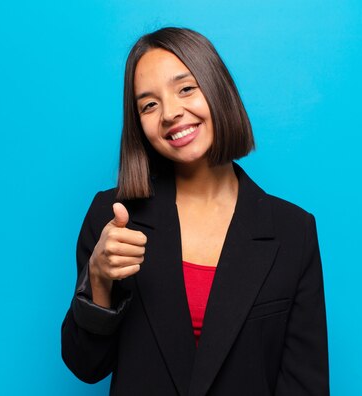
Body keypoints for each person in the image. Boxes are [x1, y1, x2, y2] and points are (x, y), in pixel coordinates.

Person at [61, 27, 329, 395]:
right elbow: (85, 366)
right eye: (149, 105)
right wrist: (99, 280)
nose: (171, 113)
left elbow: (305, 385)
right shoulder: (112, 217)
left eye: (186, 88)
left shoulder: (293, 231)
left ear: (218, 89)